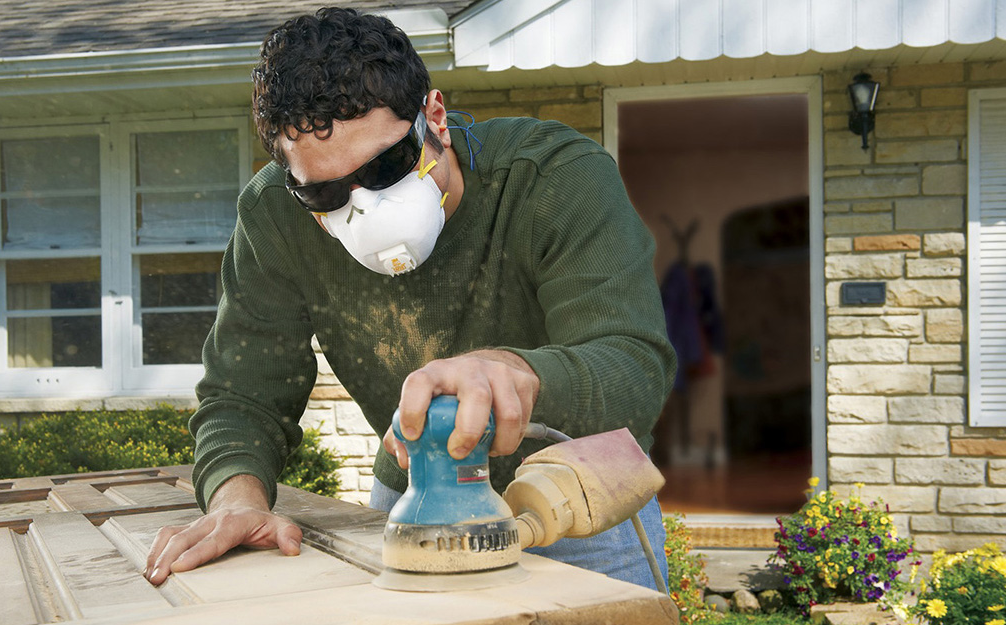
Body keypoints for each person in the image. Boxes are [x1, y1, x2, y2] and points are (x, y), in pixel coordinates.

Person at [144, 7, 677, 590]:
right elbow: (243, 392)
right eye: (326, 192)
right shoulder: (274, 215)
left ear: (435, 119)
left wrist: (507, 371)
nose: (367, 209)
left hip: (579, 502)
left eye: (388, 167)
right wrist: (235, 498)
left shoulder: (552, 176)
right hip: (415, 499)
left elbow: (635, 368)